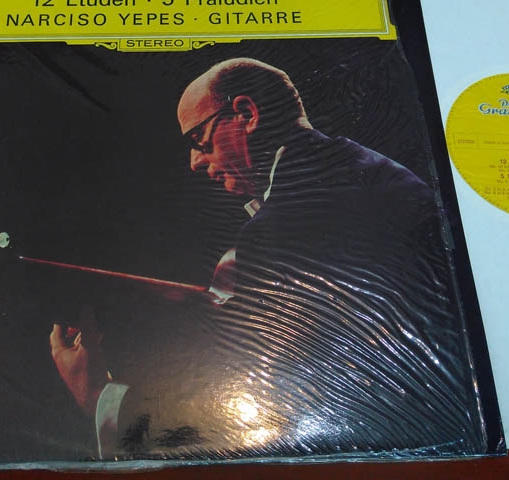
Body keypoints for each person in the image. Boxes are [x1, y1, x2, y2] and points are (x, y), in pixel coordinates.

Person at [50, 58, 484, 458]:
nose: (195, 162)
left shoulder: (279, 232)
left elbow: (233, 421)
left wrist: (97, 396)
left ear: (247, 114)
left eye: (199, 140)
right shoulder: (367, 170)